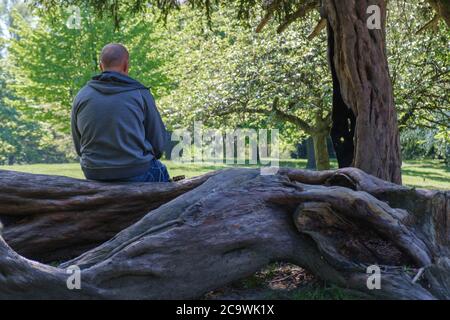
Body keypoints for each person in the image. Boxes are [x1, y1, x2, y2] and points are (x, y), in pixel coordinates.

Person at [71, 43, 170, 182]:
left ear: (101, 67)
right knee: (161, 173)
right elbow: (158, 143)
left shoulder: (82, 95)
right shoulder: (140, 94)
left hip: (93, 171)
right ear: (126, 65)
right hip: (135, 169)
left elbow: (78, 145)